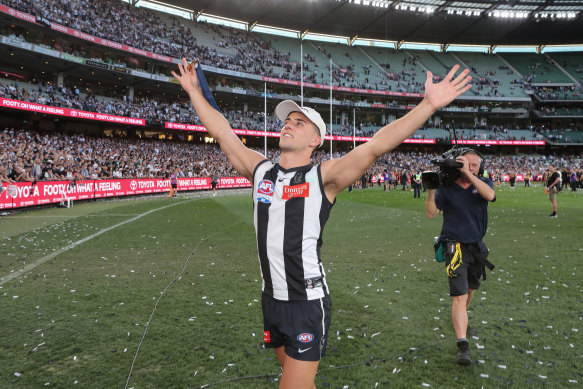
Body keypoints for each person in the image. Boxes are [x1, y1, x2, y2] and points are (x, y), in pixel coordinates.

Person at [172, 58, 471, 388]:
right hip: (271, 298)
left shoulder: (322, 176)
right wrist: (193, 91)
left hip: (306, 302)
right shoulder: (261, 171)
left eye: (299, 123)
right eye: (287, 120)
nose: (288, 124)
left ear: (316, 140)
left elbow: (376, 146)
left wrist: (428, 104)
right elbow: (222, 131)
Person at [425, 149, 496, 366]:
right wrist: (430, 190)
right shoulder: (447, 188)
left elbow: (490, 196)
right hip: (453, 247)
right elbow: (431, 213)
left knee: (470, 291)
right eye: (467, 164)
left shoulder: (483, 183)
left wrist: (470, 175)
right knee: (459, 295)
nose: (470, 167)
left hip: (476, 247)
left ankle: (460, 318)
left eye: (475, 165)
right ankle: (462, 345)